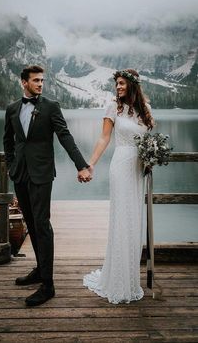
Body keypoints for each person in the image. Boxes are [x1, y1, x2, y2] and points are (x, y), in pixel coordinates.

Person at [3, 65, 91, 307]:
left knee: (42, 224)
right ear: (24, 82)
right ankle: (40, 270)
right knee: (30, 223)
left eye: (42, 80)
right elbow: (7, 141)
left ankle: (48, 285)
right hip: (20, 174)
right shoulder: (12, 109)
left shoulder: (50, 107)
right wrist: (11, 167)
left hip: (41, 174)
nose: (40, 84)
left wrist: (81, 165)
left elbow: (65, 136)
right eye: (35, 80)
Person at [83, 69, 154, 304]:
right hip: (121, 166)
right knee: (122, 219)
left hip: (138, 170)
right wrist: (90, 164)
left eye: (122, 83)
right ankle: (117, 280)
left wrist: (151, 157)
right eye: (117, 84)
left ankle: (130, 277)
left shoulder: (145, 109)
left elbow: (147, 140)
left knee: (133, 220)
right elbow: (104, 138)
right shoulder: (113, 106)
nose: (118, 87)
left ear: (133, 85)